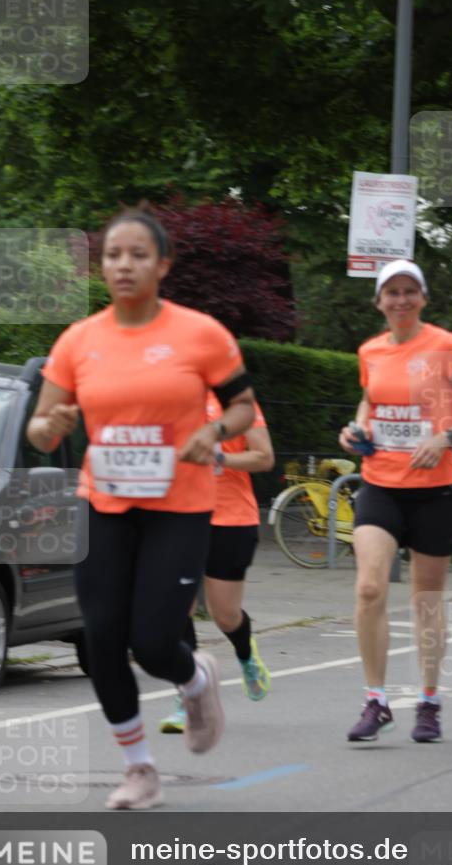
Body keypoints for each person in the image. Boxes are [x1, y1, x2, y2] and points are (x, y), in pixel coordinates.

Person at [27, 209, 255, 808]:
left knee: (154, 643)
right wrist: (51, 425)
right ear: (101, 266)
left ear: (163, 265)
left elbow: (242, 408)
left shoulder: (201, 334)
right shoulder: (78, 340)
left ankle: (195, 677)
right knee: (102, 637)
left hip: (178, 508)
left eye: (137, 255)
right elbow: (40, 431)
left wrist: (213, 433)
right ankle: (139, 769)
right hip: (104, 504)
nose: (123, 265)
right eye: (112, 255)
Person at [339, 259, 452, 743]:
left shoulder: (445, 345)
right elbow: (370, 401)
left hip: (434, 491)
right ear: (379, 301)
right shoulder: (370, 350)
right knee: (369, 588)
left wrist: (446, 438)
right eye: (392, 292)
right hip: (380, 484)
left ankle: (429, 701)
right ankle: (376, 700)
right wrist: (355, 428)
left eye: (409, 291)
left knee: (426, 601)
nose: (401, 300)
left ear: (422, 298)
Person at [160, 394, 274, 733]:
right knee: (176, 607)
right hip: (179, 516)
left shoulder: (235, 402)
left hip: (230, 518)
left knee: (225, 615)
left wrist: (219, 456)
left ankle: (246, 654)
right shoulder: (166, 394)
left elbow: (264, 457)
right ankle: (189, 697)